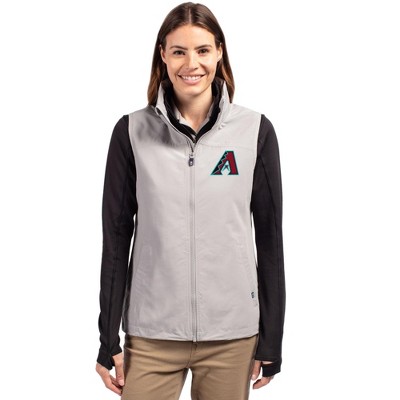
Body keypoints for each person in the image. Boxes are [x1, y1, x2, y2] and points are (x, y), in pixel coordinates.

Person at [95, 2, 285, 399]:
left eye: (202, 50)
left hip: (231, 337)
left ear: (219, 52)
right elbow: (115, 240)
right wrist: (107, 337)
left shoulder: (254, 131)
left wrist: (272, 340)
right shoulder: (131, 132)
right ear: (163, 55)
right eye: (179, 51)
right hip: (152, 334)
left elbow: (269, 241)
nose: (191, 64)